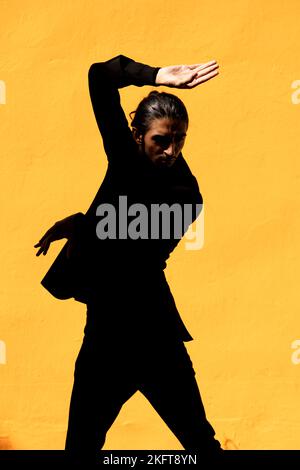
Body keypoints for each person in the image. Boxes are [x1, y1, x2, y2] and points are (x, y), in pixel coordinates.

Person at [34, 54, 221, 455]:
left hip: (154, 338)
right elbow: (99, 76)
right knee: (80, 448)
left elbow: (135, 255)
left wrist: (84, 225)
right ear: (138, 137)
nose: (171, 150)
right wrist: (156, 75)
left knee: (201, 447)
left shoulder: (187, 196)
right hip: (105, 336)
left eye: (179, 140)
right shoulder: (124, 161)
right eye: (161, 140)